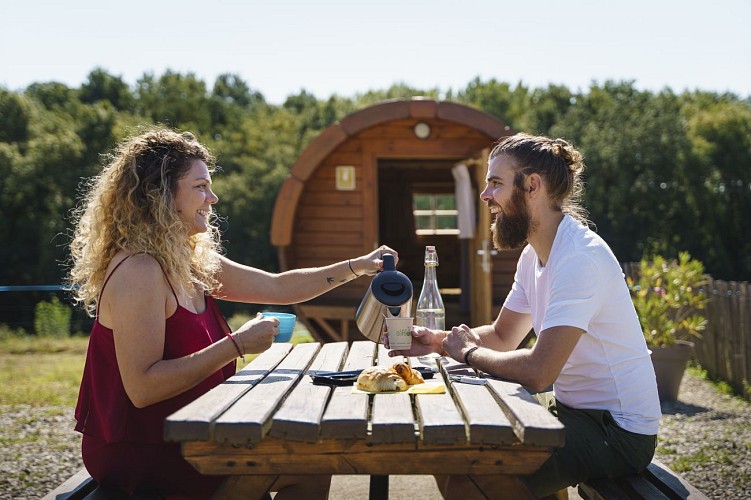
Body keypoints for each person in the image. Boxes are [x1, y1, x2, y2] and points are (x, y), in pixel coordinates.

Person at [68, 126, 396, 499]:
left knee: (310, 460)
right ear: (159, 194)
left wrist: (359, 265)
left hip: (193, 431)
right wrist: (236, 344)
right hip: (146, 449)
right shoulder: (139, 271)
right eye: (200, 187)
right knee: (306, 467)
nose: (213, 197)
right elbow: (143, 388)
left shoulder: (189, 258)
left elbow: (279, 287)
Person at [389, 133, 661, 498]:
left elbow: (538, 371)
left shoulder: (578, 258)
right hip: (572, 412)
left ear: (533, 185)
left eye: (496, 183)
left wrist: (468, 353)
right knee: (458, 455)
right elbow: (503, 336)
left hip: (617, 431)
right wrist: (439, 342)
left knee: (471, 482)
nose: (486, 195)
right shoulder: (534, 255)